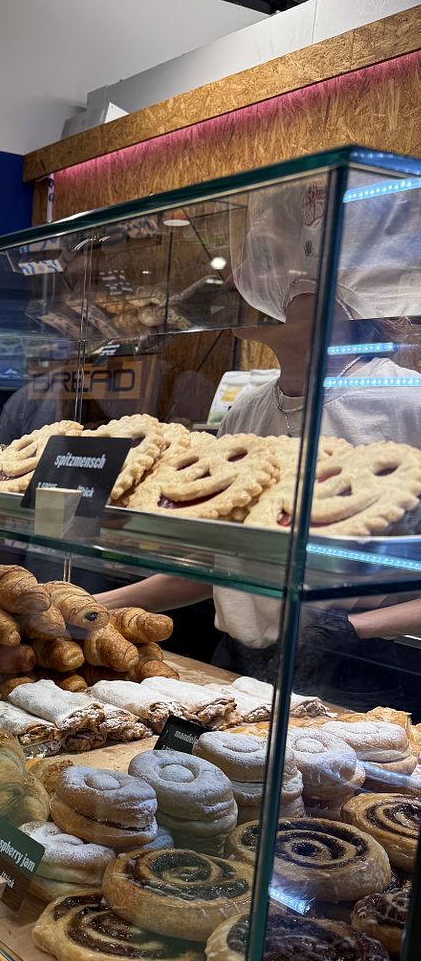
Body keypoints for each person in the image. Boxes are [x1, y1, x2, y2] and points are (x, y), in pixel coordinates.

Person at [96, 174, 421, 710]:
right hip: (241, 662)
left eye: (279, 271)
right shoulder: (247, 413)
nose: (244, 286)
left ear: (343, 300)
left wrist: (352, 628)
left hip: (361, 672)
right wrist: (100, 605)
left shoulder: (406, 402)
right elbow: (220, 564)